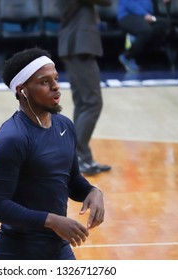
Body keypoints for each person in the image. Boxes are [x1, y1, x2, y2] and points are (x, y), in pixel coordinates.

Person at [0, 48, 105, 260]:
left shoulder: (65, 125)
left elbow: (72, 180)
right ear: (22, 90)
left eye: (56, 79)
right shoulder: (11, 139)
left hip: (58, 248)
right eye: (44, 82)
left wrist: (92, 192)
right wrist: (51, 220)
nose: (56, 87)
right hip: (18, 252)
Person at [57, 0, 112, 176]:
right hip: (78, 44)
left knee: (83, 103)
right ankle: (77, 157)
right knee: (92, 102)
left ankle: (84, 157)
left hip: (75, 44)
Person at [117, 0, 171, 73]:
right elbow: (128, 3)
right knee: (145, 30)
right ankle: (127, 56)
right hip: (128, 16)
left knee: (165, 24)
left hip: (147, 17)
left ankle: (149, 55)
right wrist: (144, 14)